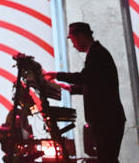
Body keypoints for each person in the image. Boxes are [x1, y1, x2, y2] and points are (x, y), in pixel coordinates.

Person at [45, 22, 125, 163]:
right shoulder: (97, 52)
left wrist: (58, 75)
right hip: (107, 119)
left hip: (107, 119)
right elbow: (94, 83)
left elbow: (85, 77)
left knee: (107, 158)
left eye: (73, 40)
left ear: (81, 36)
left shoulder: (97, 54)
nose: (73, 45)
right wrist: (69, 88)